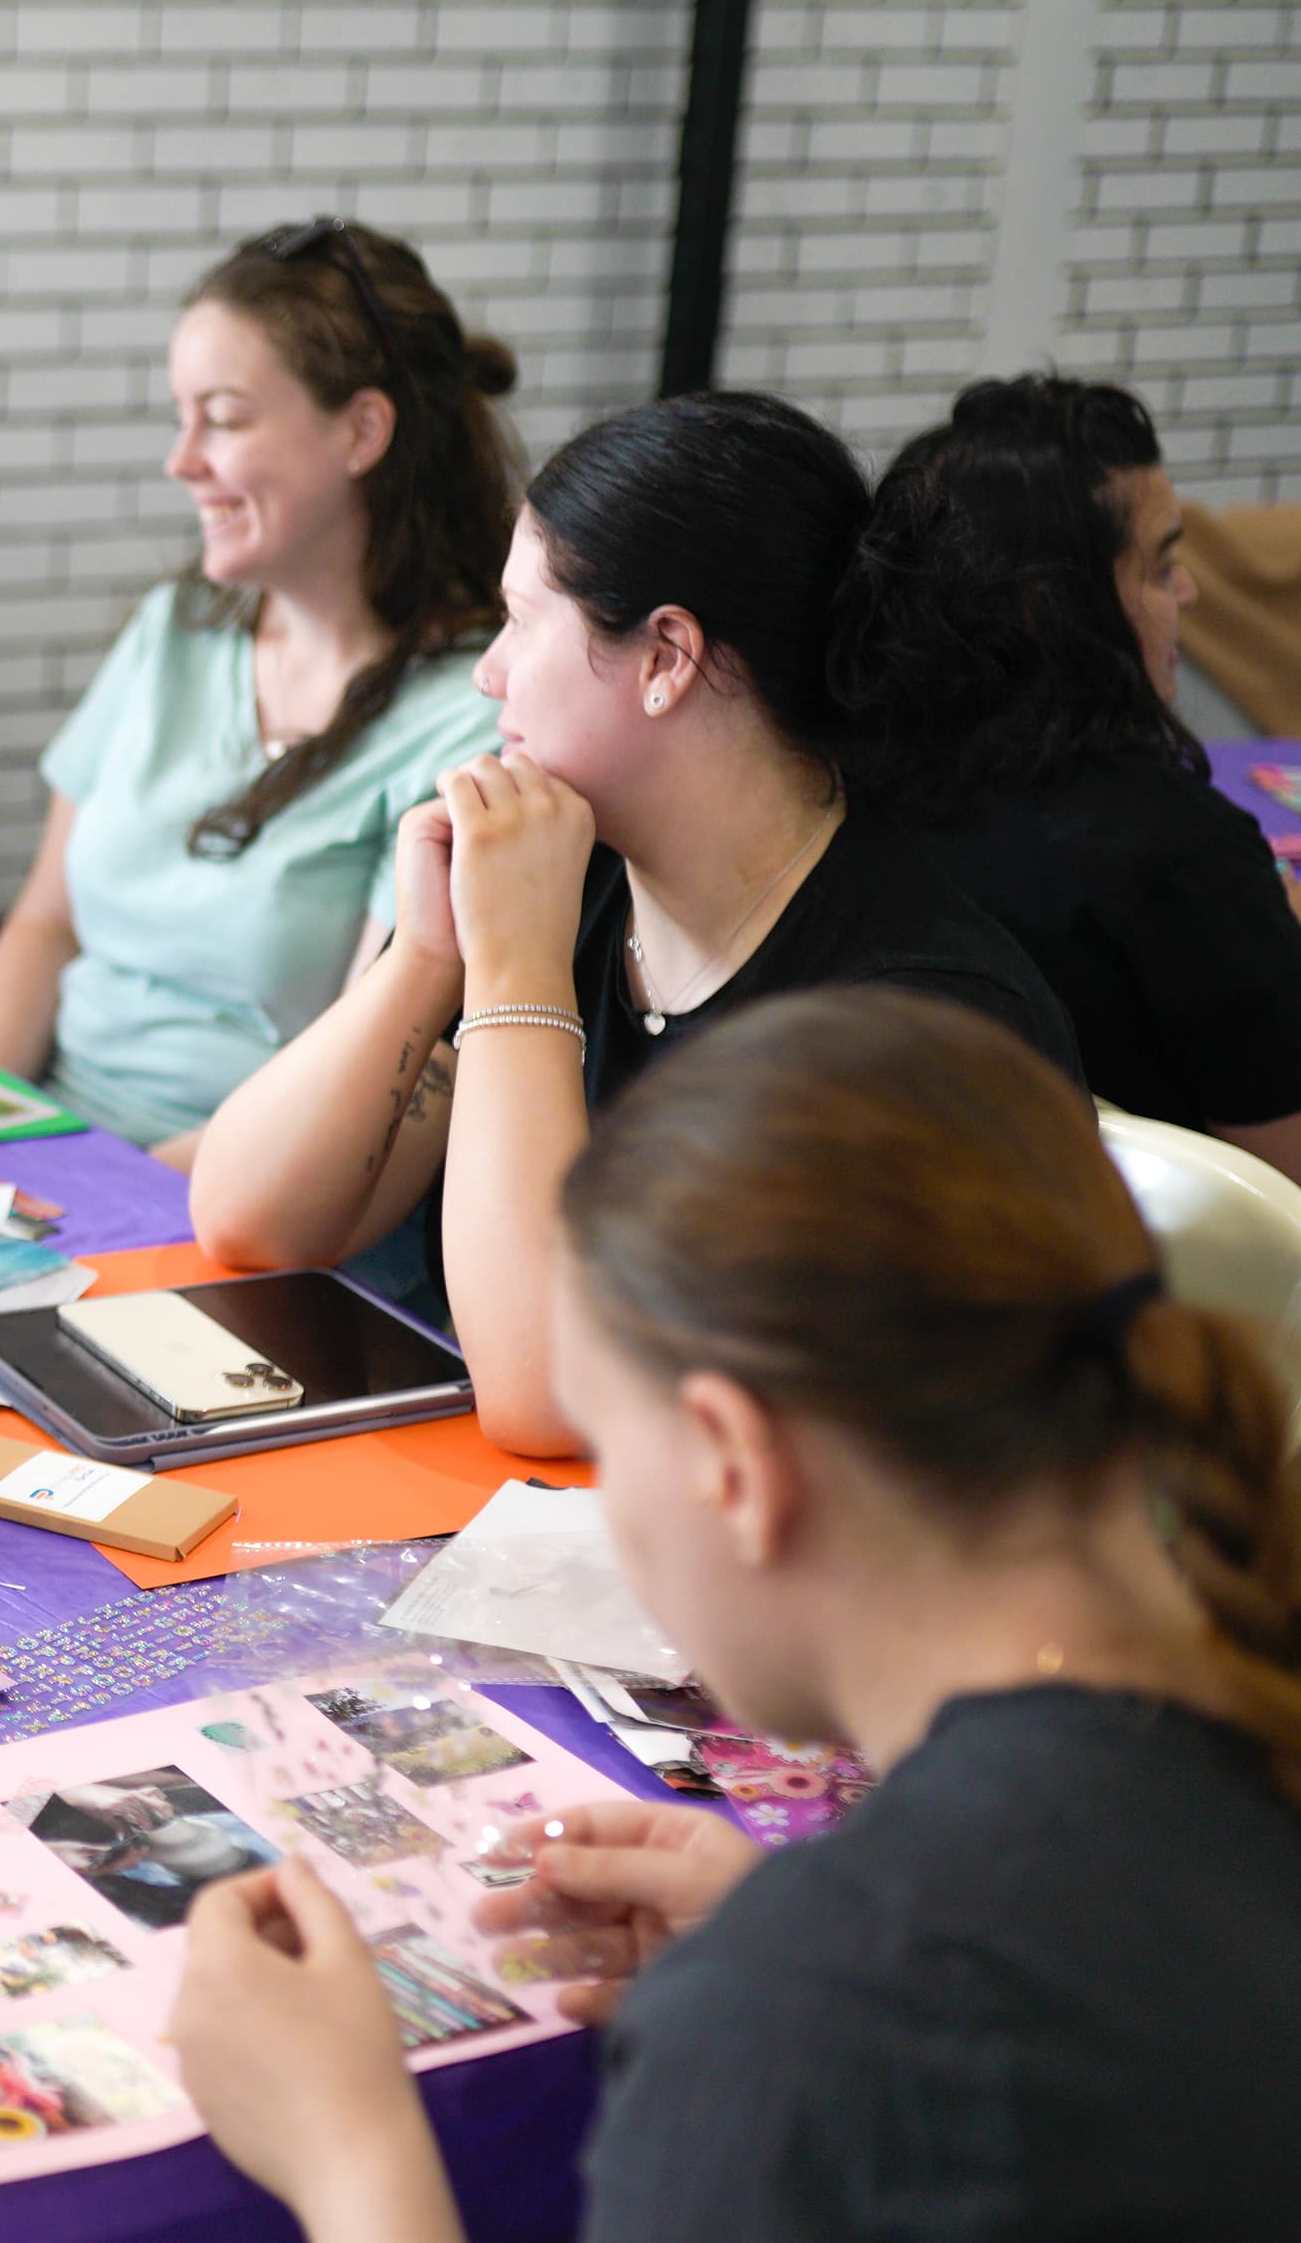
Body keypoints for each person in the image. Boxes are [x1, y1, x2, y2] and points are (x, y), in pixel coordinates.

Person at [160, 988, 1301, 2243]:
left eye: (610, 1456)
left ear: (736, 1466)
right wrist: (789, 1939)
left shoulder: (824, 2014)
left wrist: (354, 2155)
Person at [182, 392, 1079, 1453]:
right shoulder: (573, 875)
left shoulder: (913, 1021)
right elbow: (250, 1220)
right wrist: (428, 958)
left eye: (522, 620)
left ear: (665, 658)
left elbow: (549, 1393)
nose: (489, 671)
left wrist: (515, 970)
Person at [0, 220, 524, 1167]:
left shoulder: (471, 725)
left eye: (220, 419)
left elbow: (356, 1091)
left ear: (361, 430)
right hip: (50, 1154)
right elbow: (44, 921)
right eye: (180, 417)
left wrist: (98, 1195)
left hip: (239, 1202)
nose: (180, 461)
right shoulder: (174, 630)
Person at [840, 374, 1301, 1210]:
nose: (1188, 592)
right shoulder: (1176, 849)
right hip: (1118, 1276)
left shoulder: (835, 776)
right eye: (1162, 565)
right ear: (1060, 607)